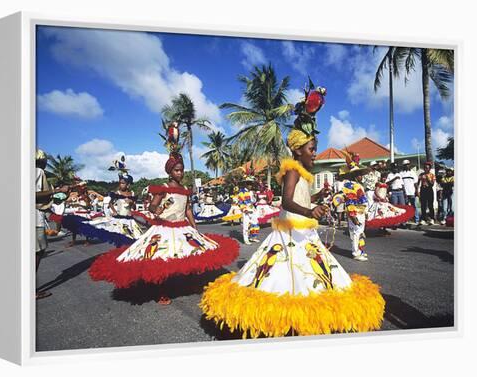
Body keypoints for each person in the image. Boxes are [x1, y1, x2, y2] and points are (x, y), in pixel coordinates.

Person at [200, 84, 384, 337]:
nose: (315, 154)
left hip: (305, 232)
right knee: (284, 276)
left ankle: (305, 317)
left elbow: (302, 199)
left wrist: (320, 197)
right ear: (298, 150)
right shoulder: (292, 170)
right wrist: (310, 213)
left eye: (315, 148)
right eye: (311, 149)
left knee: (313, 274)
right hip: (289, 232)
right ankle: (288, 318)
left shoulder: (304, 174)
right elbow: (286, 202)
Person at [88, 125, 239, 305]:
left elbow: (188, 209)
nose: (180, 173)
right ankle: (161, 291)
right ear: (169, 172)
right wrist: (156, 210)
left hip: (182, 227)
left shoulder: (185, 189)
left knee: (189, 255)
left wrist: (194, 227)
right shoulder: (163, 188)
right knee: (162, 260)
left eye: (182, 170)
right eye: (177, 170)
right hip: (164, 228)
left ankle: (190, 283)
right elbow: (152, 206)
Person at [35, 149, 69, 299]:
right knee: (37, 252)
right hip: (34, 218)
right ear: (41, 161)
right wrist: (57, 190)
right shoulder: (38, 171)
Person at [334, 153, 372, 261]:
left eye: (361, 174)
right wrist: (353, 216)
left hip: (361, 212)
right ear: (354, 175)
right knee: (356, 232)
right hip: (355, 213)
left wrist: (366, 212)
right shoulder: (349, 186)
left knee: (360, 232)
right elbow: (349, 203)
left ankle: (360, 250)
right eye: (359, 174)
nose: (361, 176)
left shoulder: (358, 185)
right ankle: (355, 253)